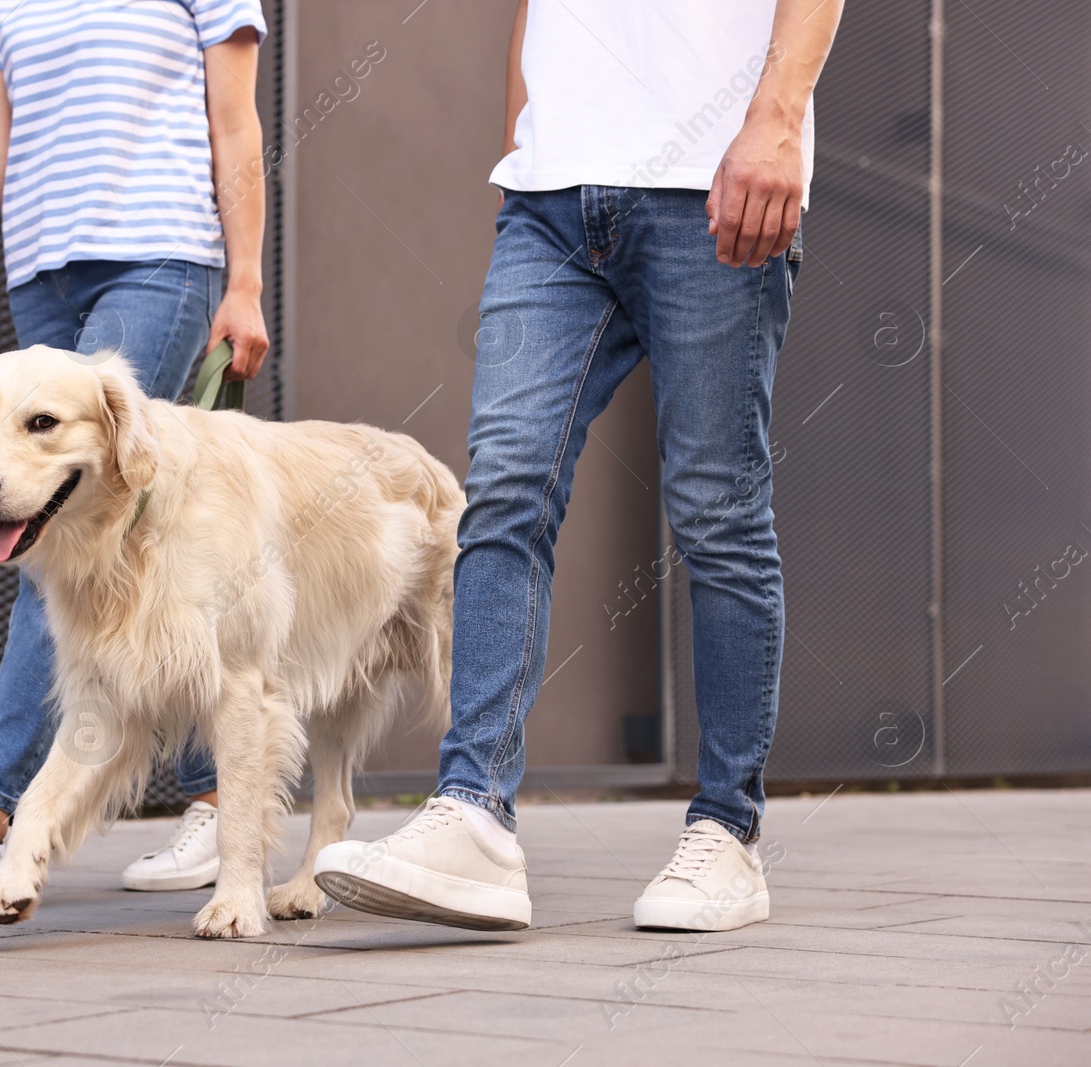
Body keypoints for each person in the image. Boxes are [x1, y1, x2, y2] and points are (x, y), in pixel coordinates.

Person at [315, 0, 843, 932]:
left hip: (714, 179)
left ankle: (728, 831)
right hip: (552, 202)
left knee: (716, 511)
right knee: (507, 489)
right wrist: (531, 144)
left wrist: (777, 120)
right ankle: (474, 812)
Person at [0, 0, 272, 907]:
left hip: (161, 259)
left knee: (59, 533)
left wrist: (244, 279)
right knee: (120, 535)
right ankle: (217, 792)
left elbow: (234, 117)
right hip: (42, 272)